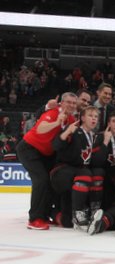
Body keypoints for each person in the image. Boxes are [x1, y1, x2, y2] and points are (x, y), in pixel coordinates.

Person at [16, 92, 77, 230]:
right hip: (29, 149)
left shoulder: (72, 119)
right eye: (69, 102)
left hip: (46, 154)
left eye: (74, 103)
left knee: (50, 181)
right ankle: (34, 218)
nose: (71, 105)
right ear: (62, 103)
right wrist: (56, 122)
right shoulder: (54, 113)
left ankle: (44, 215)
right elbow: (40, 128)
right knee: (41, 180)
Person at [51, 106, 105, 229]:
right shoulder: (73, 130)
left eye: (96, 116)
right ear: (82, 118)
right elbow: (56, 146)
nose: (94, 119)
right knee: (85, 173)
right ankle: (78, 212)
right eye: (91, 115)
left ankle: (93, 210)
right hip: (62, 171)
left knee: (98, 172)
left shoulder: (94, 136)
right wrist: (67, 132)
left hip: (79, 174)